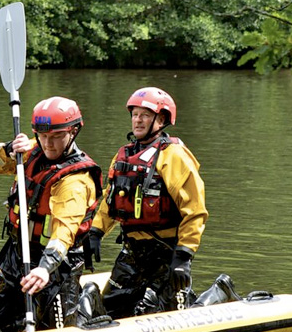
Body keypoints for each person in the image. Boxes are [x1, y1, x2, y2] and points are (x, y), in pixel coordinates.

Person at [0, 96, 102, 332]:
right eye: (43, 136)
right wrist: (7, 150)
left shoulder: (75, 181)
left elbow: (64, 233)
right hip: (16, 252)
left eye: (56, 136)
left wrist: (45, 268)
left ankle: (87, 298)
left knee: (54, 328)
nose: (49, 144)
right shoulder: (31, 152)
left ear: (73, 132)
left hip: (58, 264)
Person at [86, 87, 208, 318]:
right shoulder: (124, 155)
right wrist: (95, 232)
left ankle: (220, 292)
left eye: (145, 115)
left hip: (167, 253)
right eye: (135, 114)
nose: (137, 120)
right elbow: (112, 200)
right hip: (133, 252)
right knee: (110, 311)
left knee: (172, 313)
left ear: (161, 119)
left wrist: (183, 256)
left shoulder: (174, 156)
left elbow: (195, 211)